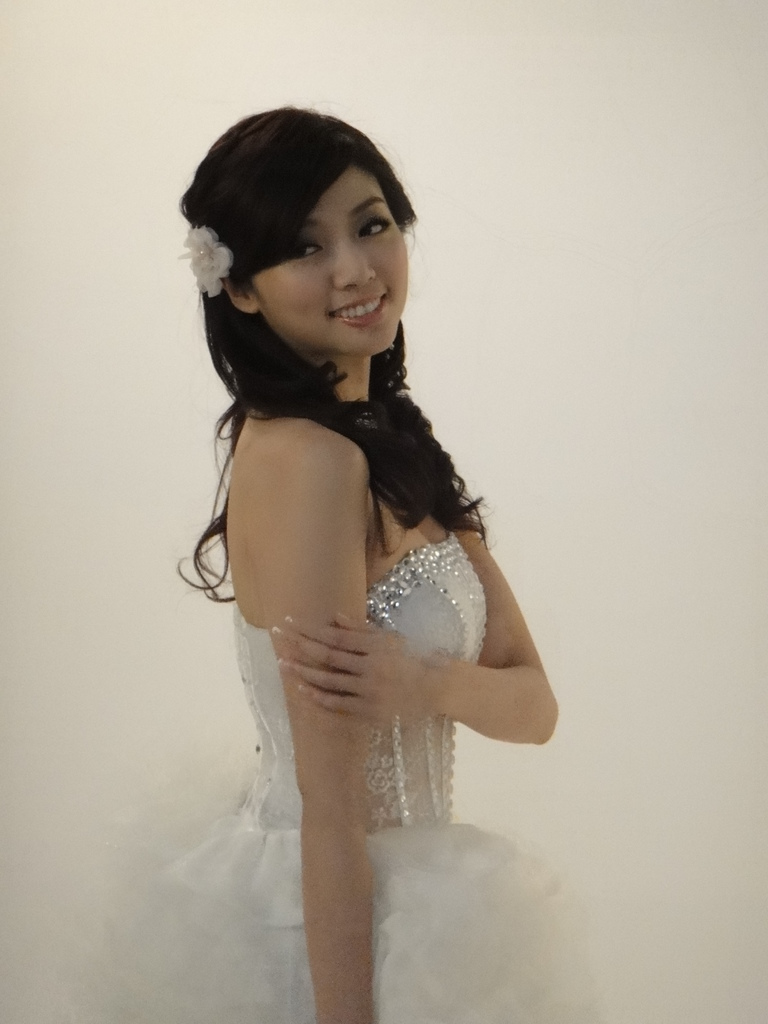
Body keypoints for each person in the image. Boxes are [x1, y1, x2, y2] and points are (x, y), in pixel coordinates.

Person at [92, 107, 600, 1024]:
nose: (357, 270)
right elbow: (331, 809)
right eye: (305, 247)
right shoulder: (310, 461)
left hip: (412, 900)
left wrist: (422, 681)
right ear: (239, 288)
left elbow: (536, 709)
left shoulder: (389, 438)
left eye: (372, 226)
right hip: (327, 918)